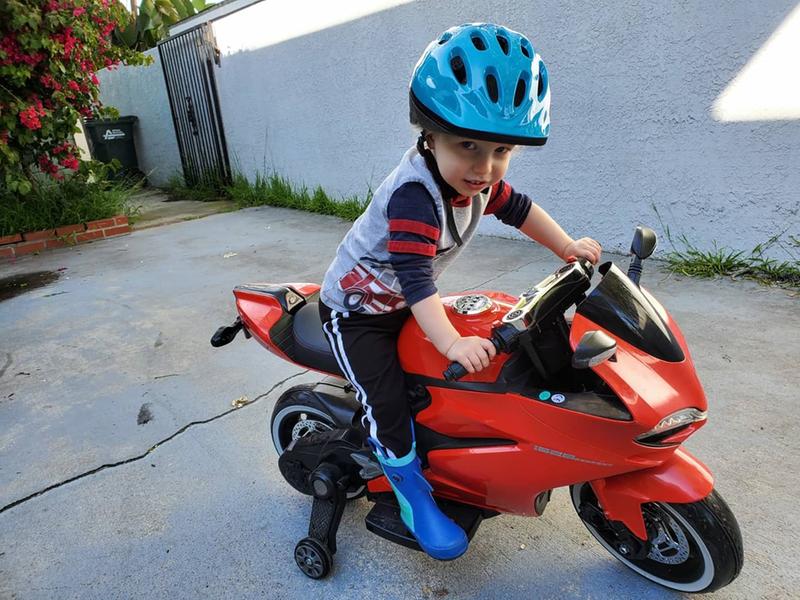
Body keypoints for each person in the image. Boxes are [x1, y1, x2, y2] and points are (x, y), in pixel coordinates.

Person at [318, 23, 601, 560]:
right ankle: (411, 493)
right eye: (467, 145)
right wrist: (449, 343)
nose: (485, 167)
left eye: (501, 150)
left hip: (406, 304)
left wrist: (565, 246)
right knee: (389, 403)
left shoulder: (477, 181)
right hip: (359, 315)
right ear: (429, 133)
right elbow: (415, 277)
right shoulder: (414, 198)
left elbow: (519, 210)